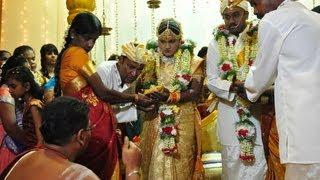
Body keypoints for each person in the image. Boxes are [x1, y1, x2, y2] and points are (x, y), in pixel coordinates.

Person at [54, 12, 154, 179]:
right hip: (92, 122)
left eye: (94, 40)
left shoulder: (71, 53)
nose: (91, 44)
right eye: (87, 38)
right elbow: (103, 92)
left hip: (86, 117)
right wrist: (135, 98)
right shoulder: (78, 53)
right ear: (73, 34)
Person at [244, 0, 320, 179]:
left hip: (300, 126)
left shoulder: (274, 20)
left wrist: (246, 87)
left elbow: (260, 75)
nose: (255, 11)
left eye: (255, 3)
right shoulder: (315, 18)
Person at [1, 96, 142, 180]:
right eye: (90, 129)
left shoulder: (24, 157)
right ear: (81, 136)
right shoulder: (80, 176)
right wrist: (132, 169)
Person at [206, 0, 266, 179]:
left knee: (257, 157)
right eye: (227, 16)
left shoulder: (260, 37)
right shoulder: (216, 43)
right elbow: (211, 80)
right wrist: (234, 87)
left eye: (236, 15)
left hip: (255, 107)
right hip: (229, 107)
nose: (231, 21)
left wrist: (251, 88)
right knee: (232, 161)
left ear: (246, 15)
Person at [138, 18, 204, 179]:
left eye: (172, 41)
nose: (167, 46)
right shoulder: (151, 61)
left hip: (183, 119)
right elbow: (142, 86)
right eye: (162, 41)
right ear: (157, 41)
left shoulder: (193, 63)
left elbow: (195, 92)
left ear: (180, 40)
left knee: (181, 163)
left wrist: (170, 97)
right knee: (154, 161)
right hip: (154, 118)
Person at [96, 43, 148, 139]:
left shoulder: (136, 79)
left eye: (139, 69)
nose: (134, 73)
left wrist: (141, 106)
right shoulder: (104, 70)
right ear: (120, 60)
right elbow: (102, 101)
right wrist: (135, 98)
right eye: (131, 67)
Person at [0, 56, 30, 173]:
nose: (28, 74)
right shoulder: (5, 91)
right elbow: (11, 127)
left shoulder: (17, 90)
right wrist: (30, 143)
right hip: (10, 142)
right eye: (25, 71)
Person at [6, 66, 43, 149]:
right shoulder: (26, 104)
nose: (10, 90)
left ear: (26, 86)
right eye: (9, 86)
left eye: (13, 86)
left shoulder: (34, 105)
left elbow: (40, 138)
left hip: (35, 149)